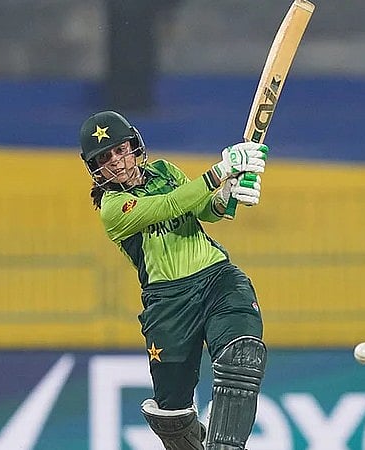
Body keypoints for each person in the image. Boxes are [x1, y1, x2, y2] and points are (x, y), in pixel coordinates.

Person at [79, 110, 268, 450]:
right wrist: (220, 172)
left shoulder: (165, 171)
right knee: (172, 417)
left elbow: (203, 210)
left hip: (216, 278)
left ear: (133, 146)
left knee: (242, 354)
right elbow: (167, 206)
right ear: (96, 168)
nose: (117, 162)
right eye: (105, 158)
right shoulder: (113, 208)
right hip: (168, 303)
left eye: (120, 150)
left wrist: (227, 194)